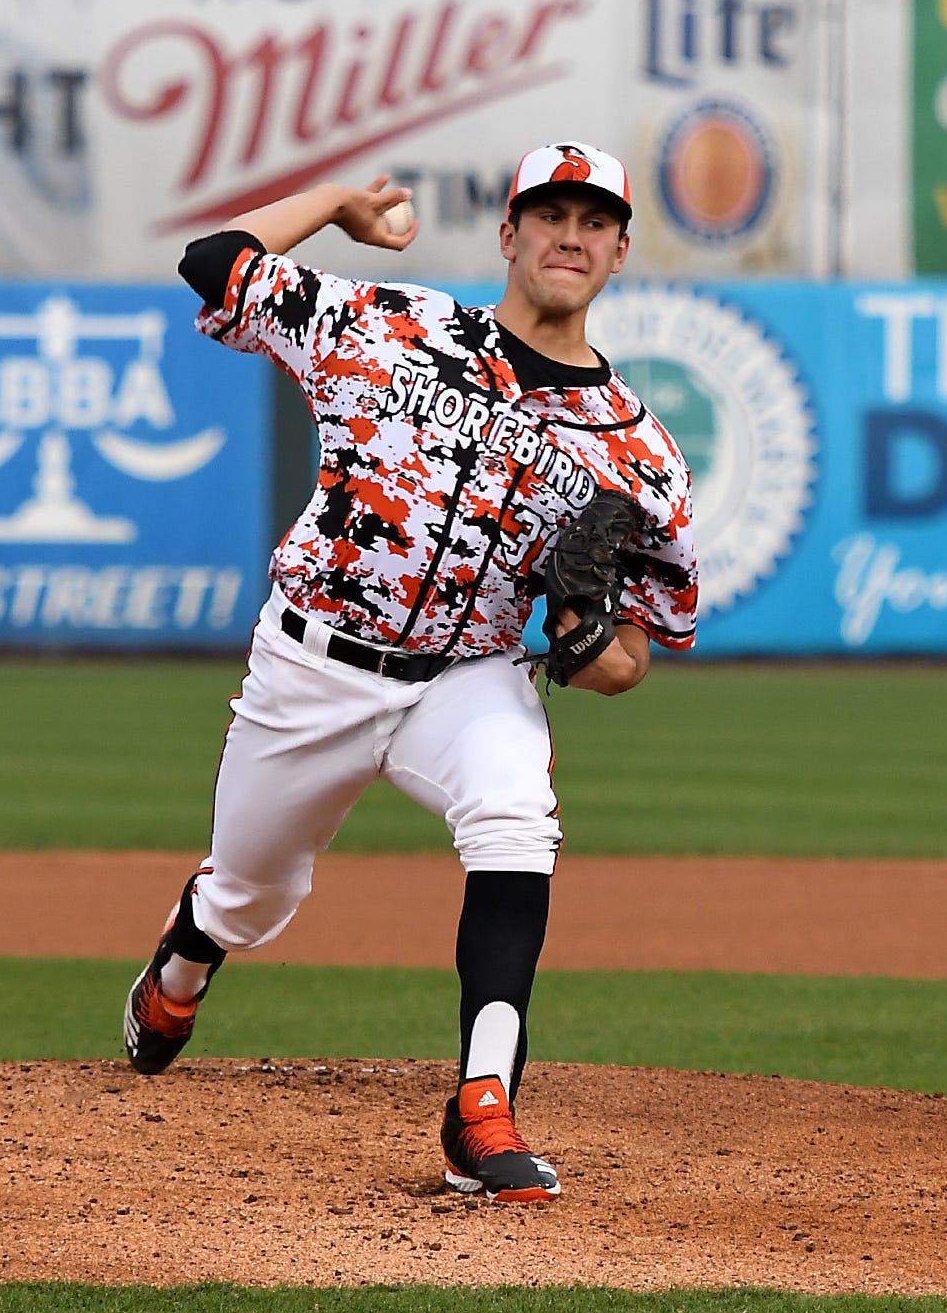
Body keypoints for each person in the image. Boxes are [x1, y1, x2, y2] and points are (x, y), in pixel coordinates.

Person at [123, 141, 698, 1202]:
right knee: (251, 889)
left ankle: (481, 1110)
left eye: (592, 221)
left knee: (516, 814)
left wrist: (584, 650)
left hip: (468, 673)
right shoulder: (391, 327)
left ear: (619, 250)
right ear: (508, 234)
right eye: (548, 213)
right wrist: (337, 202)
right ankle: (188, 952)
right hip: (313, 664)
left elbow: (631, 657)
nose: (568, 235)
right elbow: (213, 261)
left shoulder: (638, 454)